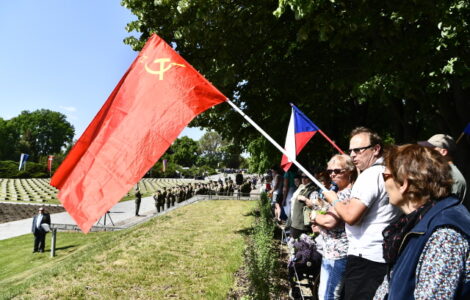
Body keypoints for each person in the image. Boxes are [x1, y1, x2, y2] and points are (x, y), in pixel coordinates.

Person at [374, 144, 470, 299]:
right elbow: (390, 286)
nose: (384, 184)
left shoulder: (444, 235)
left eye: (385, 177)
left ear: (404, 184)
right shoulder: (415, 222)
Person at [323, 127, 401, 300]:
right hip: (381, 256)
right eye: (351, 150)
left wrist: (334, 199)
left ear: (376, 149)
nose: (353, 155)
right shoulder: (387, 172)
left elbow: (351, 217)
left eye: (358, 150)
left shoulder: (370, 176)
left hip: (365, 259)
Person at [312, 154, 357, 300]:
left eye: (337, 171)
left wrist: (314, 217)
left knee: (328, 295)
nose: (332, 174)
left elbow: (330, 222)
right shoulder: (339, 193)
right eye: (330, 171)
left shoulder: (345, 195)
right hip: (332, 251)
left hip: (337, 254)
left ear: (350, 171)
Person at [418, 134, 468, 209]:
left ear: (443, 152)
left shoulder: (454, 178)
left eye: (430, 149)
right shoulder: (438, 172)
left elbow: (444, 210)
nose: (425, 152)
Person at [289, 173, 317, 239]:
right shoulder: (302, 187)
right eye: (302, 177)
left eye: (306, 177)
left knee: (301, 245)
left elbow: (315, 206)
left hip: (302, 225)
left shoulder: (312, 190)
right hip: (295, 222)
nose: (303, 179)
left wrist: (305, 199)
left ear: (310, 178)